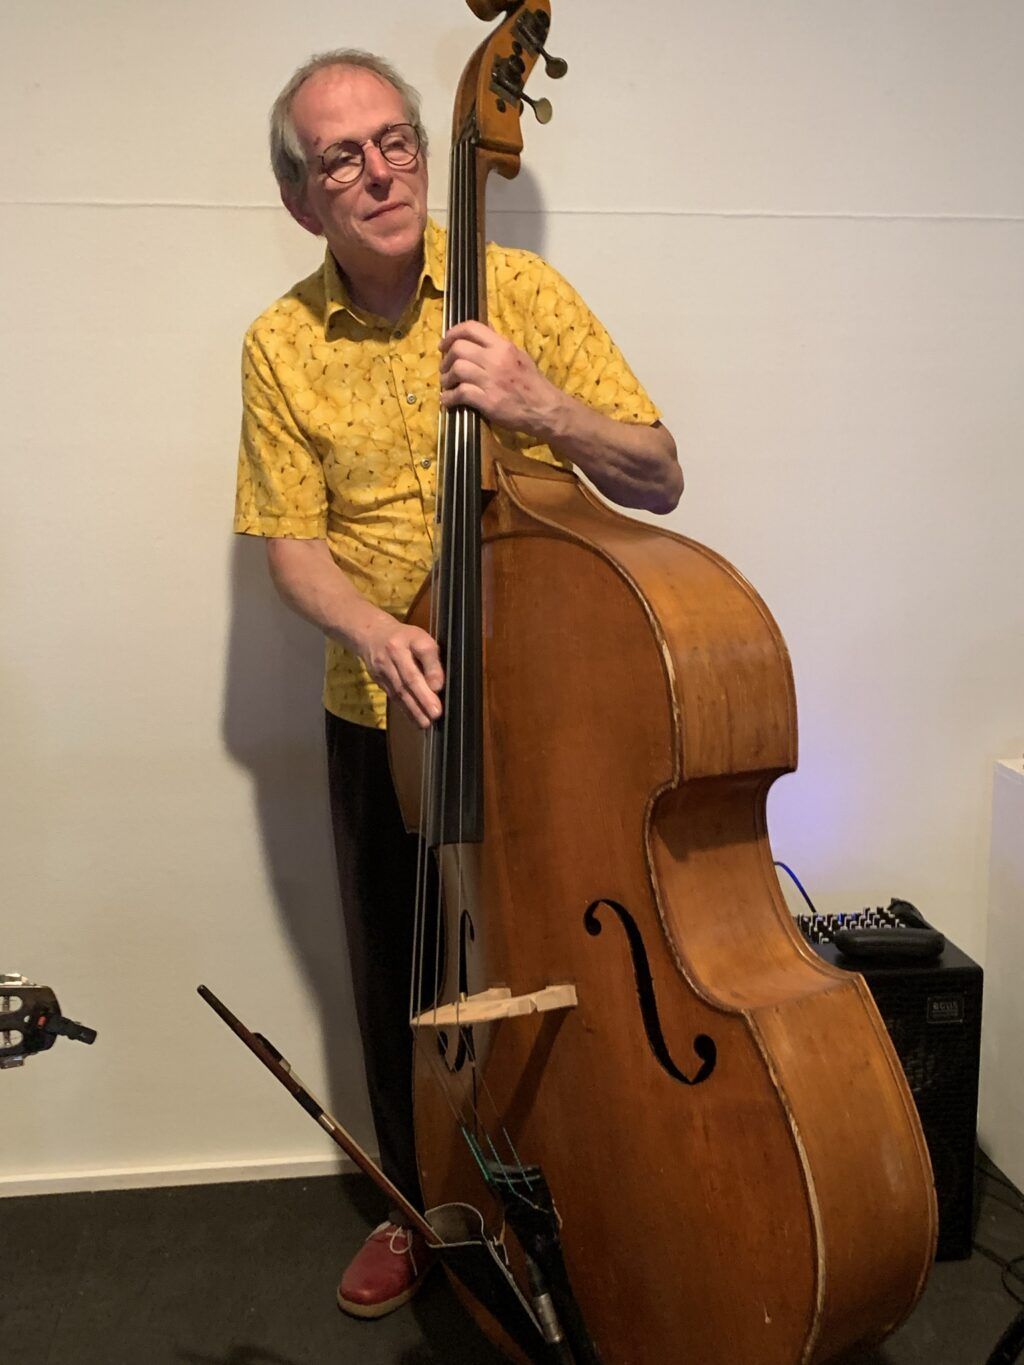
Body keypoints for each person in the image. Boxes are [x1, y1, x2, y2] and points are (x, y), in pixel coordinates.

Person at [234, 47, 682, 1320]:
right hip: (383, 714)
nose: (379, 171)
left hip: (552, 710)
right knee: (403, 979)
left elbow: (659, 472)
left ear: (428, 154)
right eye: (341, 158)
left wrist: (544, 405)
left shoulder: (518, 291)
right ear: (302, 199)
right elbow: (291, 547)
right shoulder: (279, 343)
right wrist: (373, 630)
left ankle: (593, 1178)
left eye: (395, 141)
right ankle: (420, 1204)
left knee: (565, 955)